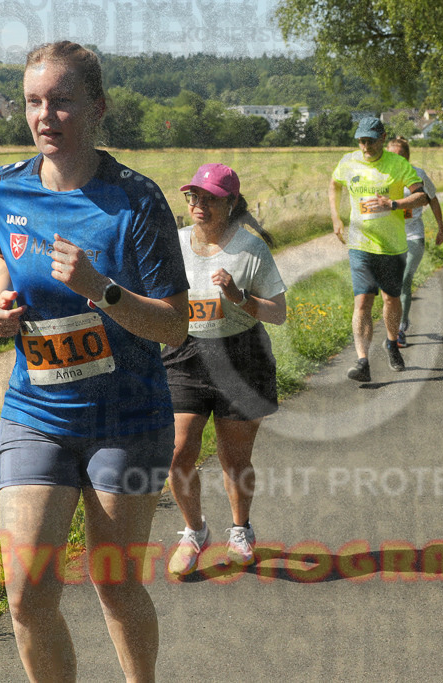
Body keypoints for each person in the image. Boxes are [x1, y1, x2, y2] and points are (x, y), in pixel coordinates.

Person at [0, 41, 190, 682]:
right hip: (36, 410)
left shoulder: (137, 202)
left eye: (62, 101)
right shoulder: (3, 188)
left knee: (113, 583)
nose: (46, 116)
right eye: (34, 102)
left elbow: (175, 323)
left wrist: (102, 289)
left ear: (97, 108)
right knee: (25, 591)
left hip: (127, 420)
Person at [162, 163, 287, 576]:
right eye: (194, 196)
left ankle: (240, 530)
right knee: (178, 454)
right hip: (184, 355)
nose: (199, 205)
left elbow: (278, 313)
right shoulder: (173, 244)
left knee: (234, 459)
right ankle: (194, 531)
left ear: (230, 202)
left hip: (241, 357)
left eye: (210, 198)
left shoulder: (251, 249)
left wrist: (239, 297)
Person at [329, 117, 428, 382]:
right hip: (360, 245)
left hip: (392, 247)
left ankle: (392, 343)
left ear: (383, 138)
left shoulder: (399, 164)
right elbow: (334, 184)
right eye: (361, 140)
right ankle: (362, 361)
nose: (365, 146)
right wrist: (336, 218)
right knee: (362, 301)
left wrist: (394, 204)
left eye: (370, 140)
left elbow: (422, 197)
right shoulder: (348, 161)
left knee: (390, 299)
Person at [386, 136, 443, 347]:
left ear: (407, 157)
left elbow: (433, 200)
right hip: (389, 238)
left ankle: (400, 328)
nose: (395, 159)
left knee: (404, 280)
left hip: (413, 236)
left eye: (400, 156)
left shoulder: (418, 175)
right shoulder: (381, 176)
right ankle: (398, 320)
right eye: (391, 155)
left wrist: (441, 228)